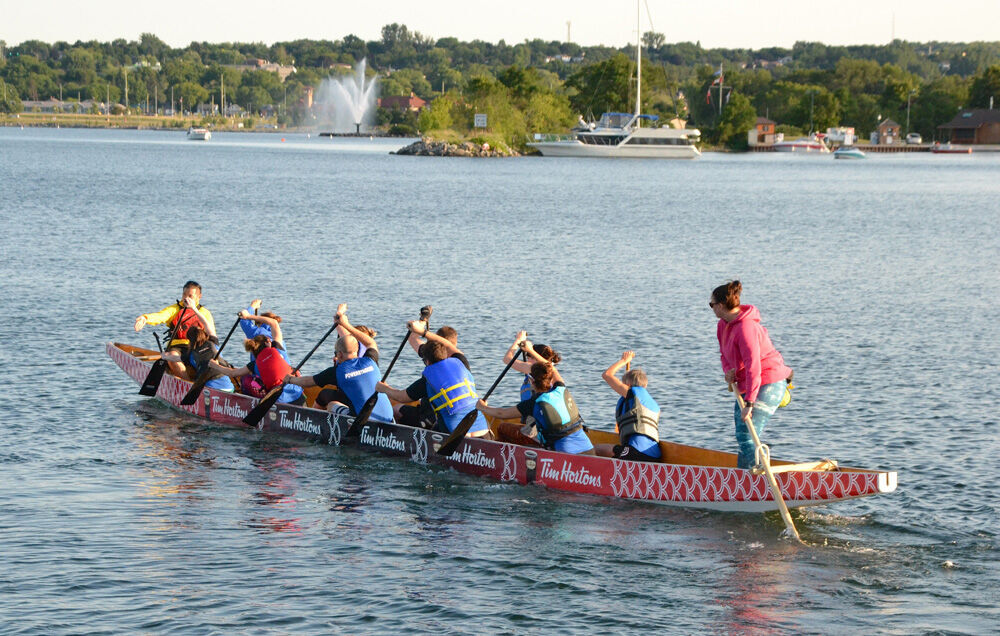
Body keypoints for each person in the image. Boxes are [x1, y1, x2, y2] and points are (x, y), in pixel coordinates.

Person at [711, 280, 793, 470]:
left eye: (712, 304)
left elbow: (753, 366)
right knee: (742, 435)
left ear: (721, 306)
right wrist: (728, 373)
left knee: (748, 434)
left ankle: (759, 481)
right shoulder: (722, 326)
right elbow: (724, 355)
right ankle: (746, 479)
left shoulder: (746, 328)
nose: (712, 308)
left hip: (769, 381)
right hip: (746, 385)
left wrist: (749, 403)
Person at [283, 304, 393, 422]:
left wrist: (290, 379)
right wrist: (346, 324)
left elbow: (307, 382)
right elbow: (371, 343)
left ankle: (317, 426)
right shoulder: (371, 360)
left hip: (361, 422)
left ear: (339, 354)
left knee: (331, 404)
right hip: (388, 418)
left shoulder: (338, 372)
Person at [376, 338, 492, 439]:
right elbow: (450, 346)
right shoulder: (461, 364)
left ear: (426, 361)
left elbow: (401, 397)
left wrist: (384, 388)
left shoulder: (427, 381)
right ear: (446, 355)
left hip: (454, 437)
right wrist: (424, 332)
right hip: (484, 430)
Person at [477, 361, 594, 455]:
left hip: (565, 456)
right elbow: (553, 369)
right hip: (589, 450)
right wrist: (529, 349)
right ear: (550, 378)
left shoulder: (534, 403)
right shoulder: (561, 388)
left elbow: (501, 414)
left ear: (531, 381)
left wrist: (482, 407)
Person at [208, 309, 305, 406]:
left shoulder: (254, 365)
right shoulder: (279, 347)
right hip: (298, 394)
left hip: (278, 400)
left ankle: (249, 403)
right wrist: (248, 316)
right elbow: (274, 323)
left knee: (246, 380)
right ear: (268, 342)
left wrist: (215, 365)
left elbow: (232, 373)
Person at [133, 281, 215, 378]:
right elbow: (160, 316)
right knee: (172, 356)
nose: (186, 298)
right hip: (178, 346)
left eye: (190, 296)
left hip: (197, 346)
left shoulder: (205, 313)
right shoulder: (174, 309)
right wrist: (145, 318)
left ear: (199, 297)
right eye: (184, 294)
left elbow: (212, 336)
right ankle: (188, 384)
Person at [493, 331, 561, 446]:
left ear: (534, 358)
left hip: (535, 430)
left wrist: (518, 340)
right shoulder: (554, 375)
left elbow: (507, 359)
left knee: (501, 428)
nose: (527, 360)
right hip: (547, 425)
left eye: (528, 357)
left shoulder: (532, 368)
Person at [594, 351, 662, 462]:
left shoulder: (632, 393)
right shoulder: (650, 403)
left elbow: (607, 375)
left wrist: (624, 361)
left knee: (596, 450)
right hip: (655, 456)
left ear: (628, 384)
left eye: (622, 383)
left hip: (635, 452)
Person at [160, 324, 235, 393]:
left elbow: (176, 358)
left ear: (189, 340)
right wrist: (195, 310)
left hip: (211, 390)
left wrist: (164, 356)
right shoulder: (214, 344)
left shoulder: (192, 355)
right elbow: (208, 326)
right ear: (204, 334)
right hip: (230, 388)